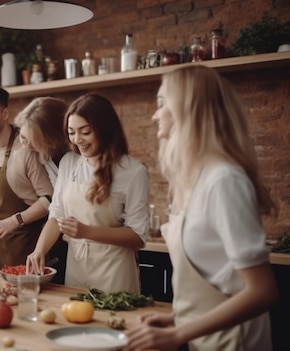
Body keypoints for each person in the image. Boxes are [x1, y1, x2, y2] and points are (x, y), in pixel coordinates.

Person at [125, 66, 278, 350]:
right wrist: (176, 319)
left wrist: (177, 335)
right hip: (206, 341)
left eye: (161, 104)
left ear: (188, 109)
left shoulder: (224, 180)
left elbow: (262, 292)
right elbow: (214, 285)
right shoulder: (195, 180)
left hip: (237, 342)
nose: (154, 115)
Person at [26, 94, 149, 293]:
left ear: (105, 129)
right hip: (77, 269)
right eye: (71, 132)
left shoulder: (133, 172)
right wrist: (39, 250)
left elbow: (138, 235)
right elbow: (56, 213)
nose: (77, 140)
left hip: (114, 272)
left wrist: (87, 232)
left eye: (85, 132)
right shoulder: (69, 162)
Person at [0, 83, 53, 271]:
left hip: (30, 241)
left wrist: (15, 221)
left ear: (5, 114)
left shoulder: (25, 149)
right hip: (2, 242)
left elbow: (49, 199)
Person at [14, 96, 70, 283]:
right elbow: (57, 209)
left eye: (32, 141)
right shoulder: (42, 154)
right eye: (22, 137)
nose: (26, 145)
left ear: (51, 140)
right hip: (58, 234)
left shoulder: (70, 159)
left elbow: (56, 204)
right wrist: (39, 250)